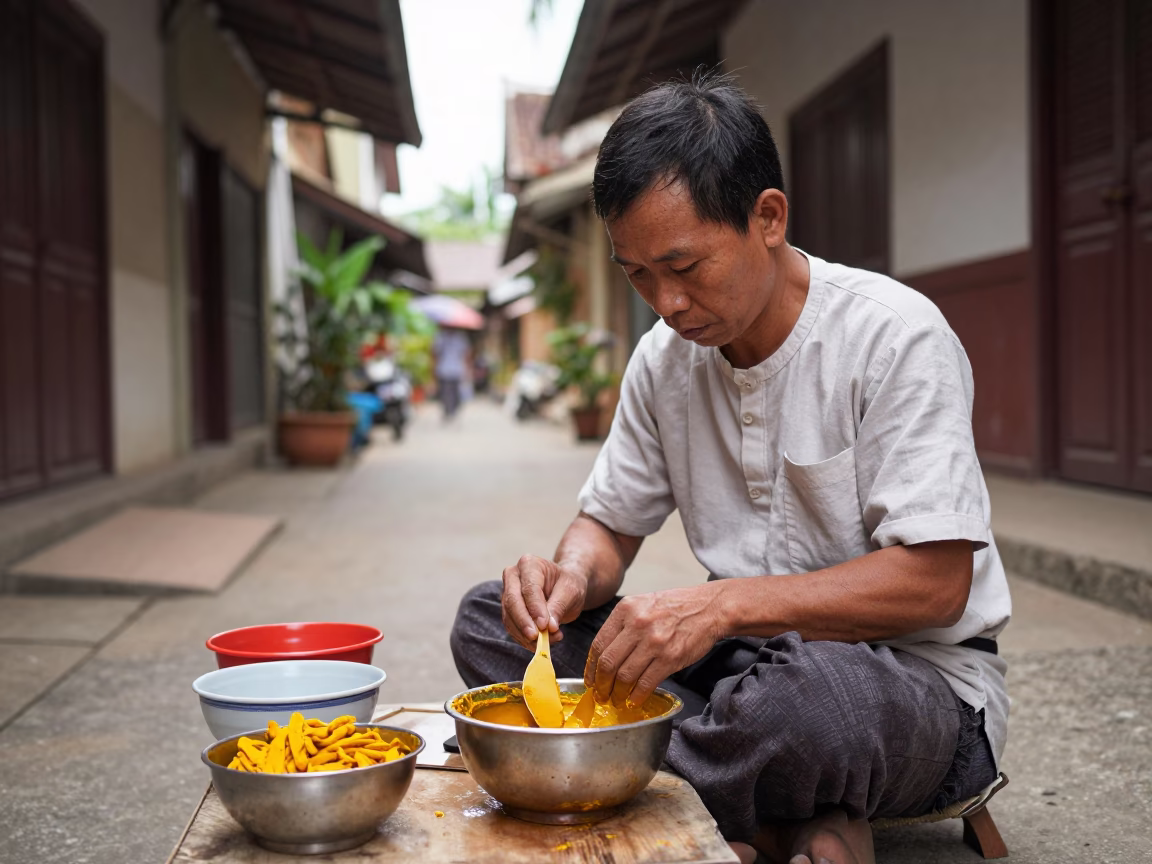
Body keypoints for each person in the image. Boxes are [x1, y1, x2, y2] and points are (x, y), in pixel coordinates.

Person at [451, 74, 1009, 864]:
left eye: (685, 265)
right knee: (489, 622)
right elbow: (609, 522)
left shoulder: (893, 337)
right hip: (731, 679)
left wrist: (720, 609)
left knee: (808, 705)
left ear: (768, 218)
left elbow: (937, 583)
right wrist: (568, 577)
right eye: (638, 274)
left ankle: (654, 798)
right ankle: (773, 819)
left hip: (907, 687)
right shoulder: (663, 360)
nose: (666, 303)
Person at [432, 327, 471, 421]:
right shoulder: (440, 337)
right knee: (445, 392)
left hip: (456, 370)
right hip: (444, 369)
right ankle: (447, 410)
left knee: (455, 392)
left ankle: (453, 410)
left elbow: (466, 353)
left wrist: (467, 367)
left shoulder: (460, 337)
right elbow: (435, 353)